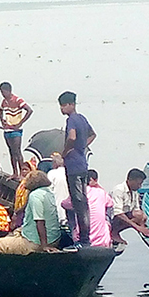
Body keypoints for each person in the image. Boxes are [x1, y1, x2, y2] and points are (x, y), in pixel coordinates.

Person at [58, 91, 96, 246]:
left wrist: (65, 152)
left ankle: (84, 239)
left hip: (73, 165)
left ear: (70, 105)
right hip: (83, 164)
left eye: (63, 105)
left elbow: (72, 137)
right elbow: (93, 134)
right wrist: (82, 146)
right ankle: (85, 236)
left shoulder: (72, 120)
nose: (61, 109)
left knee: (78, 202)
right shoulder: (82, 119)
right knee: (83, 201)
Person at [0, 171, 62, 255]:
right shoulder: (49, 193)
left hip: (38, 242)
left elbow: (40, 221)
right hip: (54, 238)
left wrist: (44, 246)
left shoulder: (35, 196)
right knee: (18, 231)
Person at [62, 169, 113, 247]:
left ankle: (75, 236)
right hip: (103, 241)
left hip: (85, 239)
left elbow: (64, 204)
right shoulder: (102, 192)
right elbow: (110, 203)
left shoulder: (79, 193)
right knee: (105, 211)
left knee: (71, 209)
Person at [0, 82, 34, 177]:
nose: (2, 94)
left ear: (8, 91)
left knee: (17, 151)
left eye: (3, 92)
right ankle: (15, 173)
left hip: (16, 130)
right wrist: (2, 121)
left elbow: (29, 110)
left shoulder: (18, 100)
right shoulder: (4, 102)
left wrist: (20, 123)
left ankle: (22, 173)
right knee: (11, 151)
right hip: (7, 130)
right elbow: (0, 111)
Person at [111, 168, 149, 244]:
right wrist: (138, 227)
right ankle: (114, 233)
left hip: (126, 216)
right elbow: (118, 213)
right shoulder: (119, 190)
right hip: (114, 219)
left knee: (143, 216)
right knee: (138, 215)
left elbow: (137, 209)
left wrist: (143, 228)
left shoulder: (135, 192)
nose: (140, 186)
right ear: (130, 180)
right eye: (138, 184)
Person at [47, 152, 70, 219]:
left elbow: (48, 190)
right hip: (69, 210)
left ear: (55, 163)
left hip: (56, 208)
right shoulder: (70, 173)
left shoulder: (52, 173)